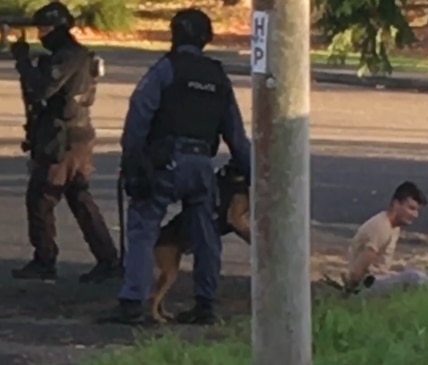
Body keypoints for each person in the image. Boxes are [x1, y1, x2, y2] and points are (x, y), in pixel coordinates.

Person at [104, 7, 251, 325]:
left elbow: (140, 114)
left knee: (143, 227)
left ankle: (132, 303)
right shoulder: (218, 77)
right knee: (206, 235)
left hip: (164, 162)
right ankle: (205, 304)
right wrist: (252, 175)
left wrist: (131, 161)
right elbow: (237, 136)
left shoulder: (165, 70)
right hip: (201, 165)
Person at [9, 2, 121, 283]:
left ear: (59, 28)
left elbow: (41, 89)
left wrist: (22, 60)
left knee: (41, 198)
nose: (41, 34)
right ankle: (107, 260)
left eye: (45, 28)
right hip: (71, 135)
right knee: (79, 198)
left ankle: (45, 260)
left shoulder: (69, 57)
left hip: (64, 138)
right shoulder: (71, 55)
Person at [342, 181, 428, 296]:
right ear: (396, 204)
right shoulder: (380, 226)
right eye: (411, 208)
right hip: (365, 288)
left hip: (380, 278)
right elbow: (357, 271)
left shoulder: (393, 226)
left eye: (417, 210)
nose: (415, 215)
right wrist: (349, 294)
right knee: (413, 277)